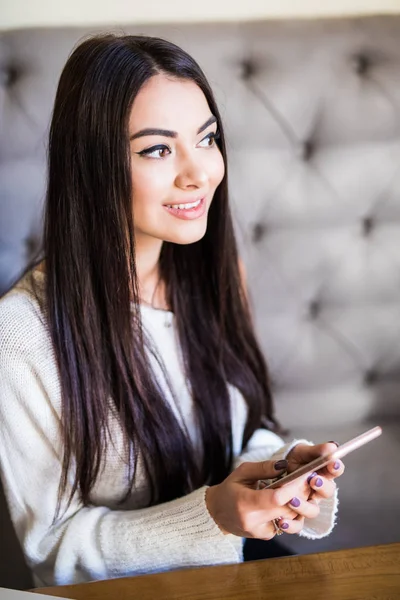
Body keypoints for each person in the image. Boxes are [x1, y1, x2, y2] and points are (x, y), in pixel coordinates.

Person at [0, 34, 344, 588]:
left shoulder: (214, 276)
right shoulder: (18, 337)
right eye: (157, 149)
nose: (199, 173)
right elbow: (52, 550)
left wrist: (279, 466)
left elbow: (246, 427)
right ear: (91, 166)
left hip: (234, 567)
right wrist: (210, 515)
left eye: (206, 139)